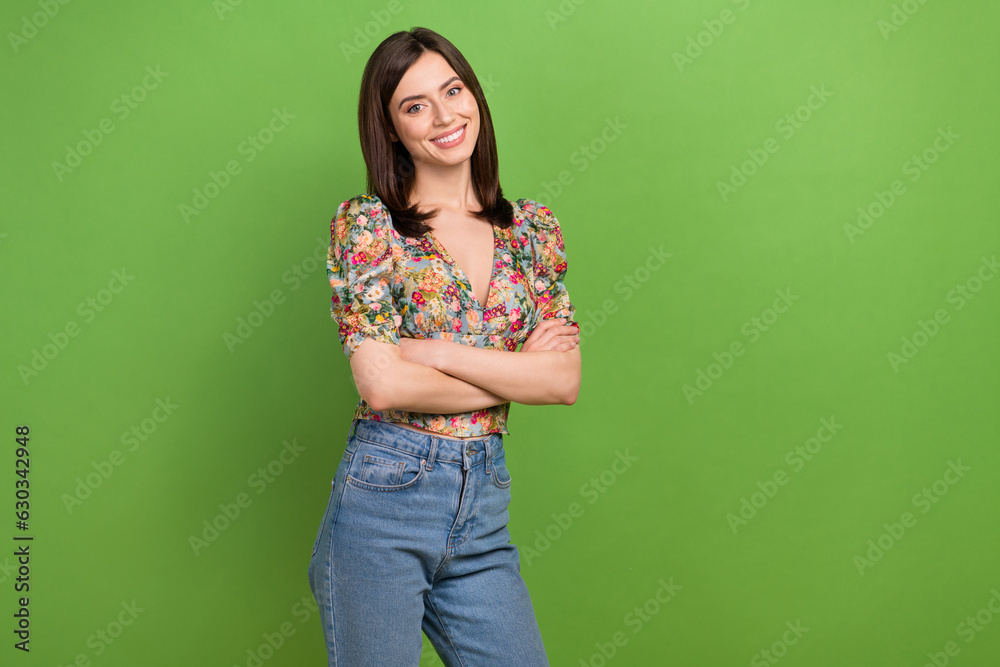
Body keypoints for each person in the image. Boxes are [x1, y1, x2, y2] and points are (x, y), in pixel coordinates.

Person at [307, 26, 581, 666]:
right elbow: (384, 386)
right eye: (415, 105)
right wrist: (521, 371)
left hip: (482, 510)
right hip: (383, 507)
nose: (444, 115)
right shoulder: (369, 225)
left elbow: (563, 382)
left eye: (453, 90)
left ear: (474, 96)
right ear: (392, 129)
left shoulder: (532, 231)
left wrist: (436, 352)